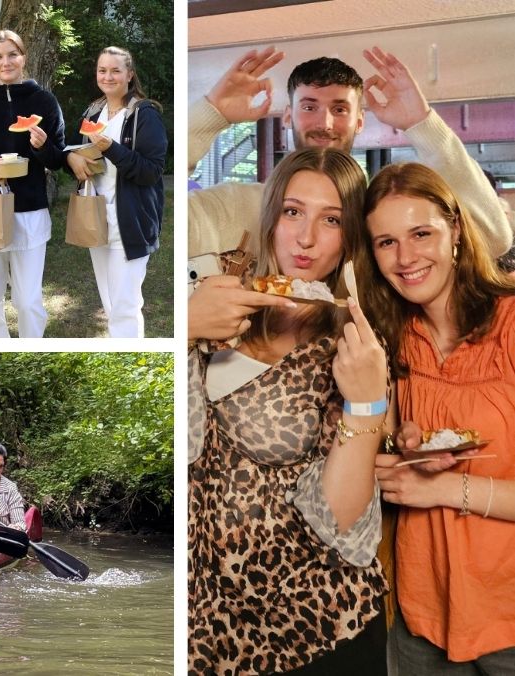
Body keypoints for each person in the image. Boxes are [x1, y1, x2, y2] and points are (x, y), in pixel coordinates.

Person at [188, 147, 389, 674]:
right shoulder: (212, 303)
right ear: (270, 214)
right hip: (211, 630)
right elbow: (181, 451)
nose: (305, 238)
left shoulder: (355, 340)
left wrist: (368, 403)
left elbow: (339, 522)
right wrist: (183, 332)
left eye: (331, 220)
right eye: (293, 212)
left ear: (350, 238)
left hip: (316, 625)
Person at [359, 162, 515, 670]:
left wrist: (444, 489)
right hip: (420, 618)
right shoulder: (394, 334)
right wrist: (401, 454)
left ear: (456, 231)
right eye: (386, 242)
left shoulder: (510, 322)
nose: (406, 258)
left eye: (420, 233)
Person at [188, 46, 512, 260]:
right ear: (288, 115)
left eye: (339, 109)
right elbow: (159, 219)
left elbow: (493, 239)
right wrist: (208, 117)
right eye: (309, 106)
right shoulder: (239, 205)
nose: (325, 123)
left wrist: (423, 125)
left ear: (359, 121)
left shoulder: (383, 212)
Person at [0, 29, 66, 338]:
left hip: (29, 211)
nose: (5, 62)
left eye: (11, 54)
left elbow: (57, 160)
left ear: (24, 57)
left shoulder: (45, 101)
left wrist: (42, 146)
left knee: (28, 299)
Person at [64, 46, 167, 338]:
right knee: (110, 305)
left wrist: (112, 148)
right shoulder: (93, 111)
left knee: (125, 307)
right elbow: (72, 151)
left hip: (131, 222)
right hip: (97, 218)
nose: (107, 76)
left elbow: (151, 171)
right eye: (102, 70)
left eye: (115, 70)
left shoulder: (144, 115)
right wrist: (71, 158)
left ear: (129, 75)